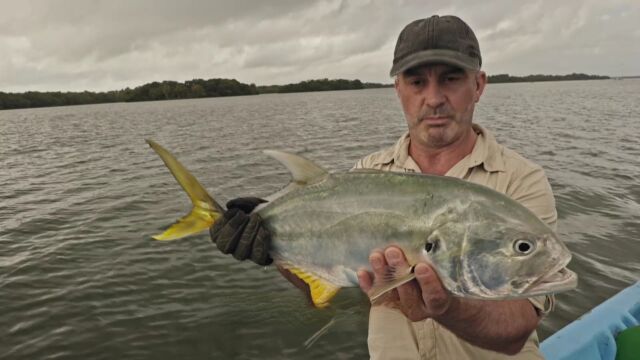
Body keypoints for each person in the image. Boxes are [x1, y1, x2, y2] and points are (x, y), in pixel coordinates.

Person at [210, 15, 557, 360]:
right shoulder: (364, 176)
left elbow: (516, 330)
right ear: (398, 90)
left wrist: (446, 305)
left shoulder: (520, 179)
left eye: (450, 79)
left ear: (479, 85)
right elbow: (329, 274)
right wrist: (269, 246)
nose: (434, 98)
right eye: (417, 82)